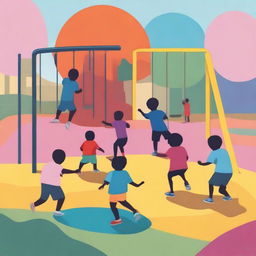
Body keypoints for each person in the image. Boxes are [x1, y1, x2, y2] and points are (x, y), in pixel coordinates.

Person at [30, 149, 80, 216]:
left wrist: (58, 174)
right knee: (61, 197)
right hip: (53, 184)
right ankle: (57, 211)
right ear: (62, 159)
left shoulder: (48, 164)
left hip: (44, 183)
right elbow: (64, 171)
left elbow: (49, 172)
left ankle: (33, 204)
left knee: (43, 199)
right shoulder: (58, 166)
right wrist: (75, 171)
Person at [99, 156, 144, 225]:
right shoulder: (125, 173)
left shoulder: (111, 173)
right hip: (122, 192)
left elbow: (107, 182)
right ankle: (134, 211)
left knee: (113, 206)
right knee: (123, 202)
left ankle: (118, 219)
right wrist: (137, 185)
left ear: (113, 165)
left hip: (113, 192)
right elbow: (130, 182)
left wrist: (103, 185)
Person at [198, 135, 233, 203]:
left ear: (210, 145)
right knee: (221, 190)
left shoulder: (214, 152)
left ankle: (210, 198)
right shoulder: (224, 151)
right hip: (229, 173)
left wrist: (201, 164)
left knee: (210, 183)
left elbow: (208, 162)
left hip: (220, 172)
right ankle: (228, 197)